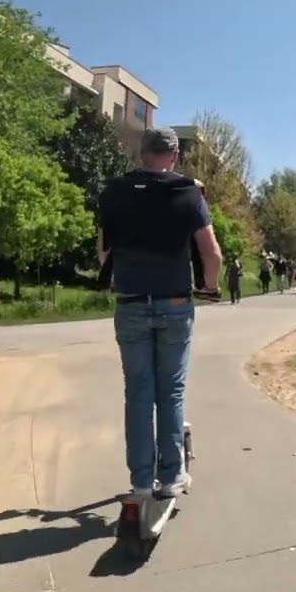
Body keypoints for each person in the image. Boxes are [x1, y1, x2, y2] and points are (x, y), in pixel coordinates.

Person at [98, 126, 222, 522]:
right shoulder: (188, 193)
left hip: (131, 301)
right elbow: (212, 254)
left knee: (138, 391)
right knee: (170, 391)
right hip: (174, 302)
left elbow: (103, 253)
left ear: (142, 153)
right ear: (174, 156)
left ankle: (139, 480)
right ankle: (170, 476)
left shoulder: (116, 193)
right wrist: (208, 287)